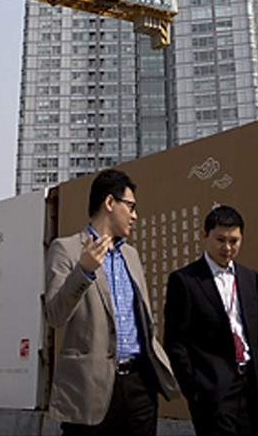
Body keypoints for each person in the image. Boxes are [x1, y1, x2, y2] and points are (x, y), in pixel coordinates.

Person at [43, 168, 179, 435]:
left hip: (140, 386)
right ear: (109, 202)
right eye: (130, 206)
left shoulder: (132, 255)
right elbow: (55, 315)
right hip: (90, 388)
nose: (135, 215)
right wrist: (83, 271)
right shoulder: (66, 249)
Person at [164, 205, 258, 435]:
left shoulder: (250, 278)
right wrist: (195, 390)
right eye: (220, 239)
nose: (227, 248)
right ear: (204, 235)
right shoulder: (185, 281)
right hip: (212, 393)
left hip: (249, 388)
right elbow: (174, 343)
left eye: (234, 241)